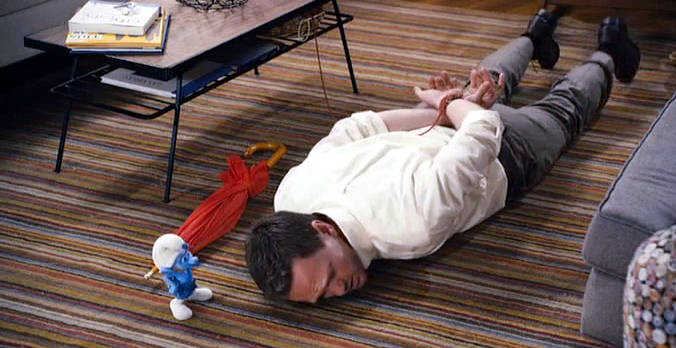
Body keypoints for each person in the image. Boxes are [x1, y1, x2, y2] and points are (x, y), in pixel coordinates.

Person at [245, 10, 641, 303]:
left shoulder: (410, 227)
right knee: (485, 80)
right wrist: (447, 105)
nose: (339, 290)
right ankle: (536, 34)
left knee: (563, 111)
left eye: (330, 275)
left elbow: (482, 132)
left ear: (323, 229)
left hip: (503, 154)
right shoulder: (288, 200)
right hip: (449, 129)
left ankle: (609, 51)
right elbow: (358, 128)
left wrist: (449, 107)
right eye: (323, 298)